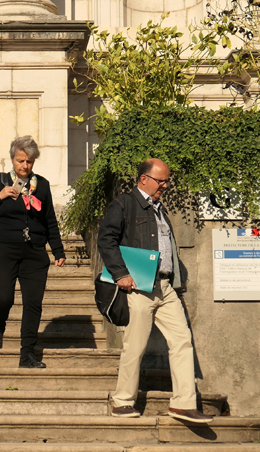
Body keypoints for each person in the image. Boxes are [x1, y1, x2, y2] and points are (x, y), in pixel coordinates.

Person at [97, 158, 213, 424]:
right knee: (135, 346)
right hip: (139, 287)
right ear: (143, 179)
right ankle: (123, 401)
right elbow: (106, 239)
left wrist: (176, 286)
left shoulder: (159, 209)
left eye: (167, 180)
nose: (166, 185)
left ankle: (184, 404)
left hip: (165, 288)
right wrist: (121, 274)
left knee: (182, 340)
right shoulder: (124, 205)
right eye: (161, 180)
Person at [0, 136, 66, 369]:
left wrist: (57, 250)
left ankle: (27, 353)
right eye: (20, 160)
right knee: (4, 297)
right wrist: (0, 196)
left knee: (33, 303)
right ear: (12, 159)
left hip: (34, 250)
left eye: (29, 161)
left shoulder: (41, 185)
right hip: (2, 247)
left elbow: (50, 220)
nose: (24, 166)